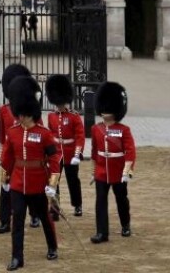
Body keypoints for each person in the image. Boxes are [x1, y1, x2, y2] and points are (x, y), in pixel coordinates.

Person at [0, 76, 60, 270]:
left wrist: (52, 183)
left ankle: (52, 246)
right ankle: (17, 257)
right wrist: (6, 177)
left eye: (23, 115)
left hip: (37, 183)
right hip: (18, 183)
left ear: (30, 113)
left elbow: (54, 158)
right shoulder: (13, 132)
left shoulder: (44, 133)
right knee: (17, 220)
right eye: (19, 114)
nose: (20, 118)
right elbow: (7, 157)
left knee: (44, 217)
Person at [89, 81, 136, 243]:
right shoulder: (96, 129)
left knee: (121, 199)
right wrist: (94, 172)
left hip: (118, 171)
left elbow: (130, 152)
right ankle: (102, 232)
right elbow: (94, 152)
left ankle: (125, 224)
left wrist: (127, 171)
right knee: (100, 201)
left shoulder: (124, 130)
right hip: (102, 171)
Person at [0, 63, 31, 235]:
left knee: (30, 187)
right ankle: (4, 220)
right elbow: (3, 136)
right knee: (5, 187)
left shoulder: (30, 111)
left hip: (26, 155)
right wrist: (3, 154)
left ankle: (35, 214)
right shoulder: (4, 110)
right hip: (10, 156)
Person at [45, 74, 85, 217]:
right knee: (54, 179)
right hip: (56, 153)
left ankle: (77, 205)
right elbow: (49, 135)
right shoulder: (51, 116)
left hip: (70, 153)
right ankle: (55, 207)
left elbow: (80, 136)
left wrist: (77, 153)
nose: (59, 105)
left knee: (73, 181)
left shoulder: (74, 116)